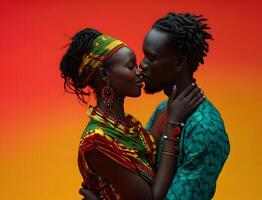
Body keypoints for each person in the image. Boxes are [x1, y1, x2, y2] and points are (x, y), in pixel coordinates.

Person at [80, 12, 230, 200]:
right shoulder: (163, 109)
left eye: (151, 58)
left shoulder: (205, 127)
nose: (142, 66)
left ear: (178, 62)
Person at [60, 28, 205, 199]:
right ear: (105, 74)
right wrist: (173, 124)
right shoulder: (97, 141)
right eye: (130, 66)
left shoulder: (130, 126)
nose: (139, 72)